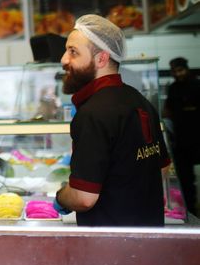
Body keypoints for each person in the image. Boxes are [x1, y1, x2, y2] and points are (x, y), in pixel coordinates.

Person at [52, 14, 171, 226]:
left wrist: (60, 197)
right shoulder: (140, 100)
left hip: (110, 246)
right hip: (150, 240)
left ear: (102, 59)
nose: (63, 59)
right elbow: (162, 168)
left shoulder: (93, 113)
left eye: (73, 52)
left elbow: (83, 197)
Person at [163, 57, 200, 216]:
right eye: (175, 71)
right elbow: (168, 111)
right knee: (185, 180)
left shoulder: (197, 86)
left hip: (197, 138)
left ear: (187, 69)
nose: (178, 74)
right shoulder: (173, 89)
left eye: (181, 70)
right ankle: (190, 209)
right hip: (181, 141)